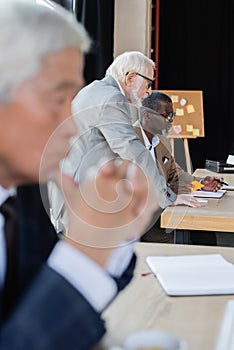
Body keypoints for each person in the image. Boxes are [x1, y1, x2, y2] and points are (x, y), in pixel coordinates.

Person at [0, 2, 157, 349]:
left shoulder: (21, 198)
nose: (70, 127)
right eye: (57, 99)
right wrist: (85, 251)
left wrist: (107, 232)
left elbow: (43, 307)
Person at [49, 51, 200, 232]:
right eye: (148, 83)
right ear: (130, 77)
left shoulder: (95, 90)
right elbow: (132, 150)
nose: (149, 91)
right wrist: (167, 196)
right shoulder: (112, 98)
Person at [136, 91, 221, 244]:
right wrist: (169, 193)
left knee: (204, 233)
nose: (170, 122)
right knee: (177, 239)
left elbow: (175, 173)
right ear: (146, 115)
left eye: (172, 116)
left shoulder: (161, 139)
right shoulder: (129, 141)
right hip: (141, 218)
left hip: (163, 208)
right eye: (165, 116)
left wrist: (201, 183)